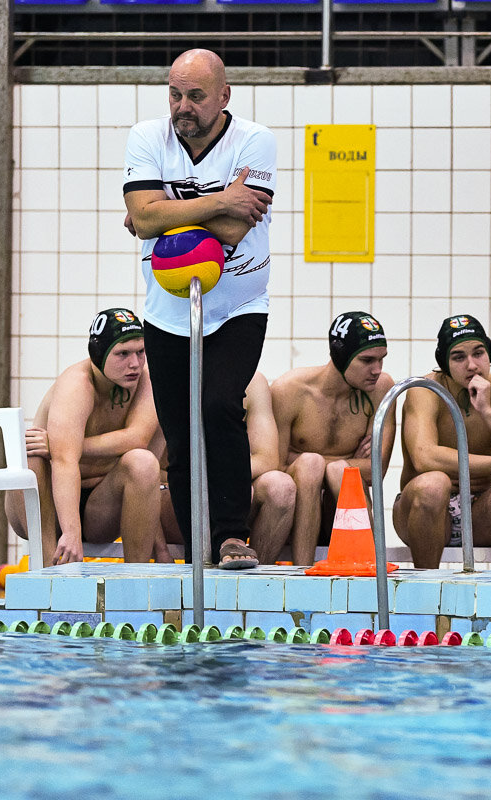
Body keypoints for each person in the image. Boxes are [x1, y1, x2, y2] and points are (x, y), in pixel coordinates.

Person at [123, 48, 277, 570]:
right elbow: (142, 218)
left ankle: (234, 535)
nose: (181, 106)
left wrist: (164, 213)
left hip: (238, 306)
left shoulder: (254, 141)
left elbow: (235, 230)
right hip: (168, 309)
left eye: (195, 96)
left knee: (217, 406)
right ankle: (199, 546)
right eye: (174, 93)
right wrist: (217, 201)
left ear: (224, 97)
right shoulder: (147, 137)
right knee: (181, 426)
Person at [5, 309, 164, 565]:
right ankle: (48, 573)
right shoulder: (77, 384)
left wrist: (66, 444)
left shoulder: (146, 381)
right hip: (49, 503)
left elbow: (137, 439)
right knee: (32, 459)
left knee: (143, 463)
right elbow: (65, 461)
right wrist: (71, 532)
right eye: (123, 353)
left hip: (100, 505)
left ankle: (137, 578)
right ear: (98, 353)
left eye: (140, 352)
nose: (134, 363)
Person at [393, 315, 491, 569]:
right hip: (422, 510)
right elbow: (425, 458)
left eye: (479, 353)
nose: (472, 365)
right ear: (443, 363)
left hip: (479, 513)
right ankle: (427, 595)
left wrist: (488, 412)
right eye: (458, 357)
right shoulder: (426, 391)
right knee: (434, 483)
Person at [272, 312, 396, 566]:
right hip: (294, 514)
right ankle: (303, 571)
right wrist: (346, 460)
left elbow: (376, 471)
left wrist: (333, 465)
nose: (377, 370)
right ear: (341, 356)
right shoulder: (291, 390)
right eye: (367, 360)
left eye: (381, 360)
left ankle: (369, 570)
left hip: (340, 510)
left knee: (340, 472)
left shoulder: (381, 389)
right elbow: (273, 465)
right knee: (311, 465)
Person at [155, 372, 296, 564]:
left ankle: (251, 582)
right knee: (227, 491)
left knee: (281, 487)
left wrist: (228, 479)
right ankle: (201, 571)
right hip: (175, 493)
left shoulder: (253, 383)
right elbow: (152, 465)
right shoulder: (168, 372)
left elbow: (267, 458)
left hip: (234, 492)